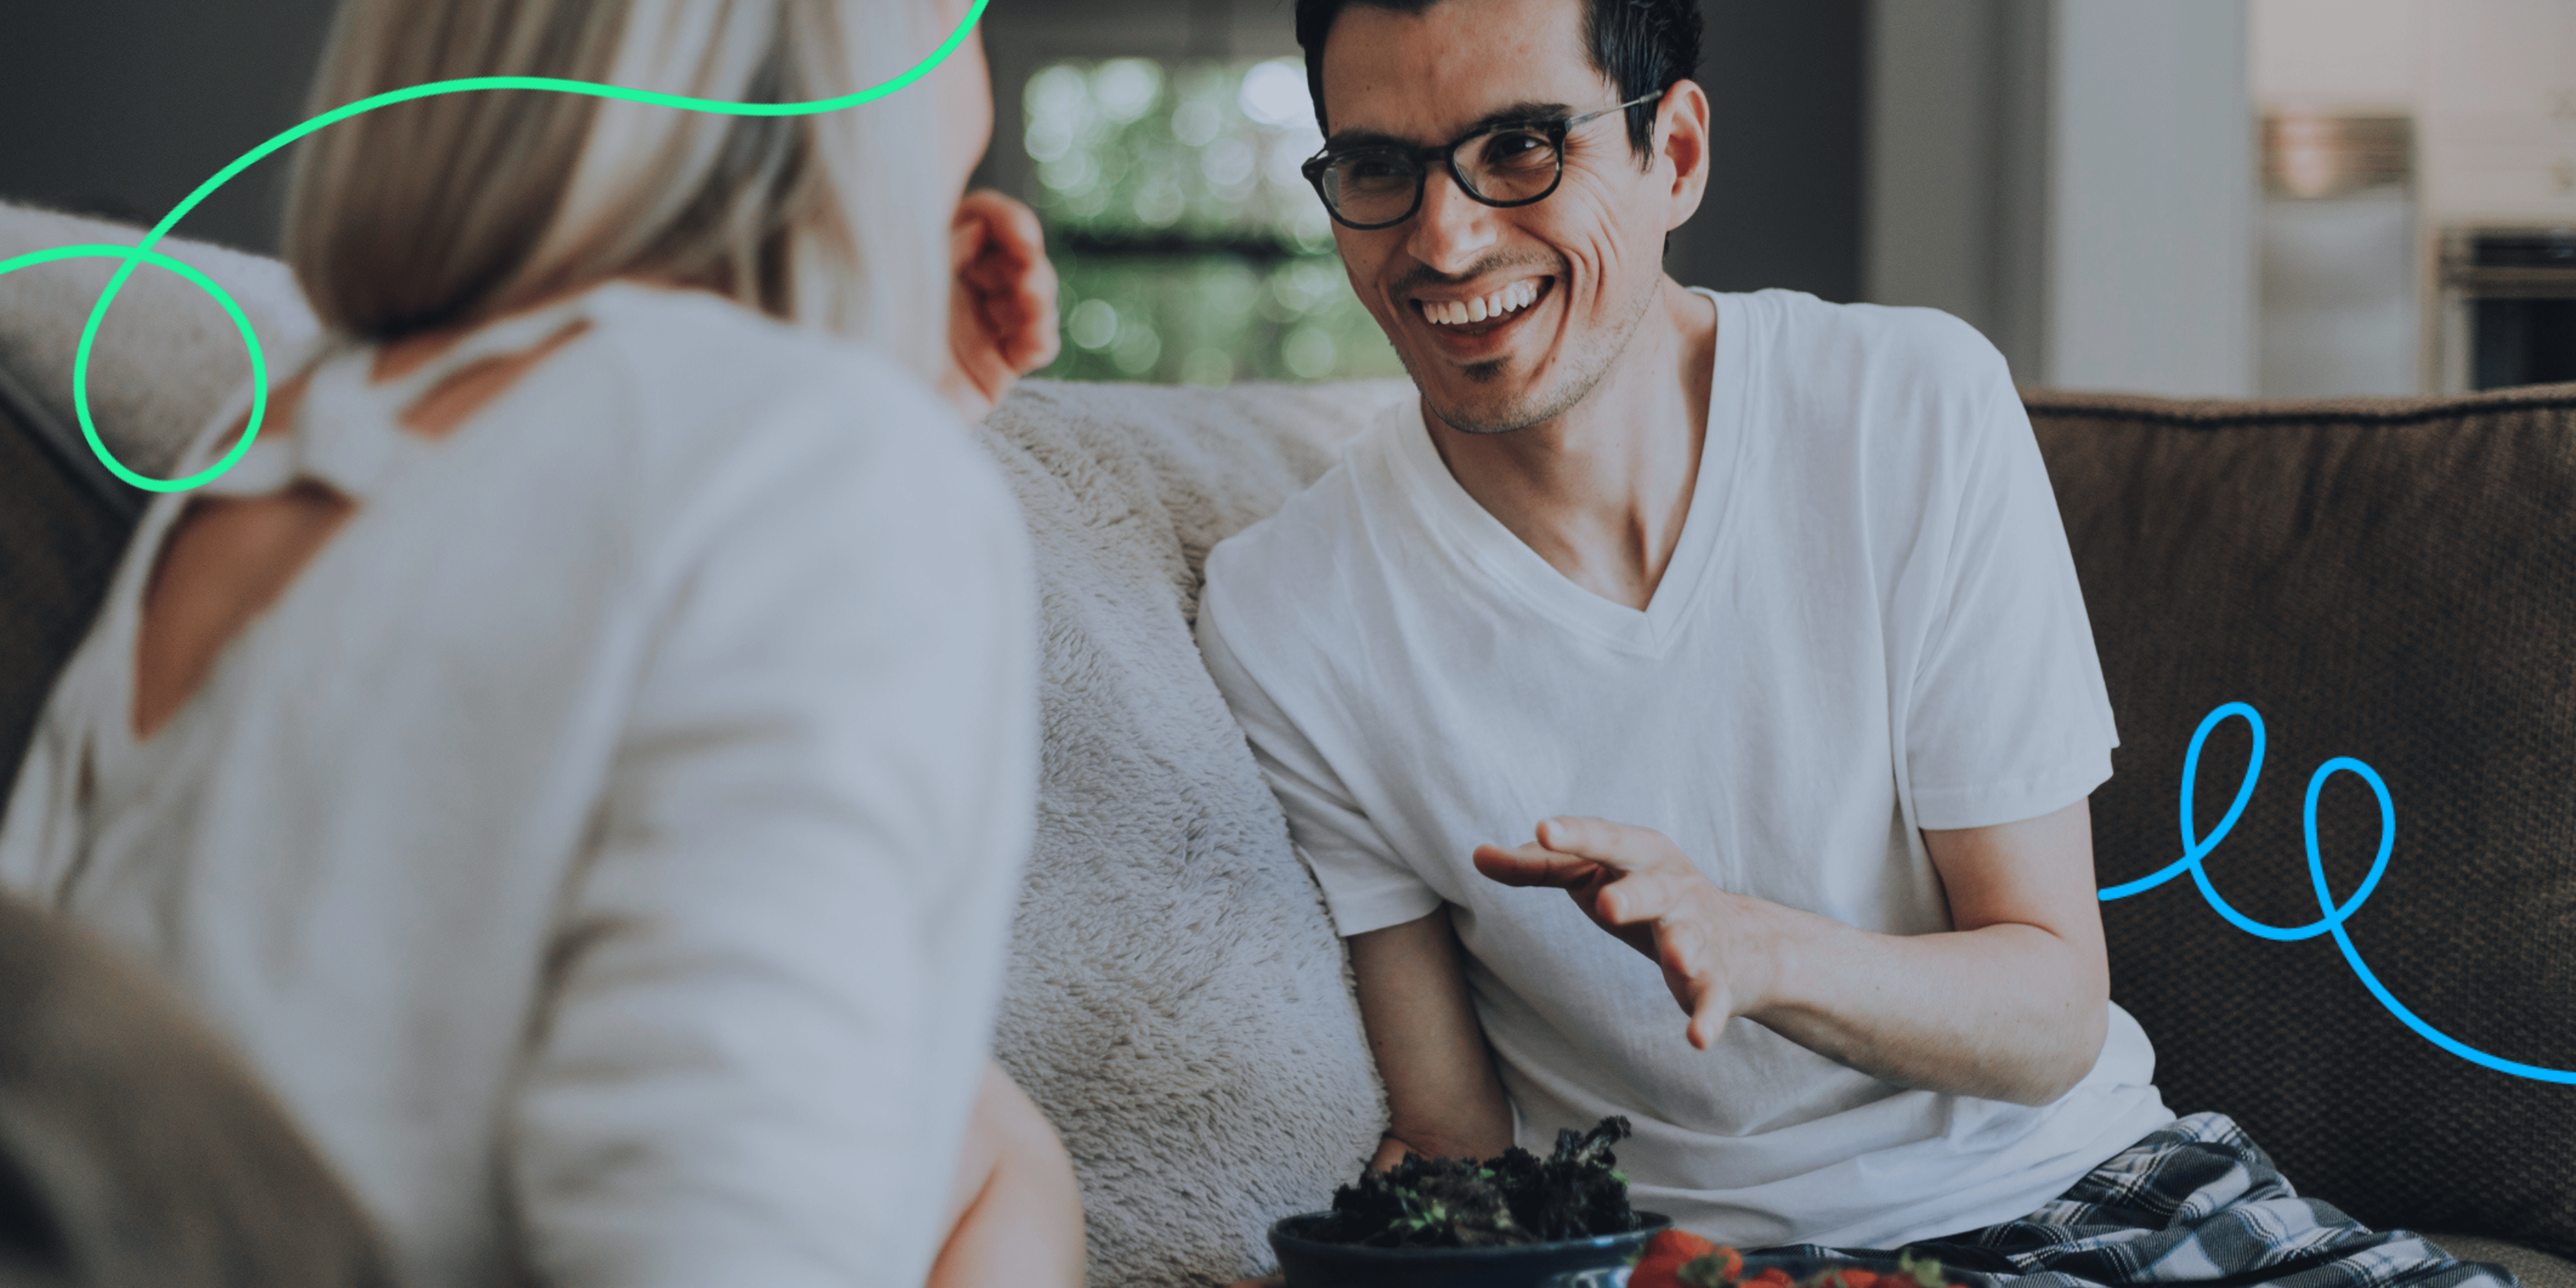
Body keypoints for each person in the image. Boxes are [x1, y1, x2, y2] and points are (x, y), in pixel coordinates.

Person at [1196, 1, 2512, 1285]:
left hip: (2092, 1188)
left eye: (1522, 148)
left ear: (1679, 155)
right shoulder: (1288, 612)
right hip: (1716, 1264)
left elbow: (2053, 1012)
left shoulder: (1911, 407)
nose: (1445, 236)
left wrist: (1758, 949)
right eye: (1377, 167)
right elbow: (1454, 1144)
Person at [0, 0, 1085, 1285]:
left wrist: (863, 392)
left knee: (998, 1139)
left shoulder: (281, 436)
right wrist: (859, 451)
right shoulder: (813, 465)